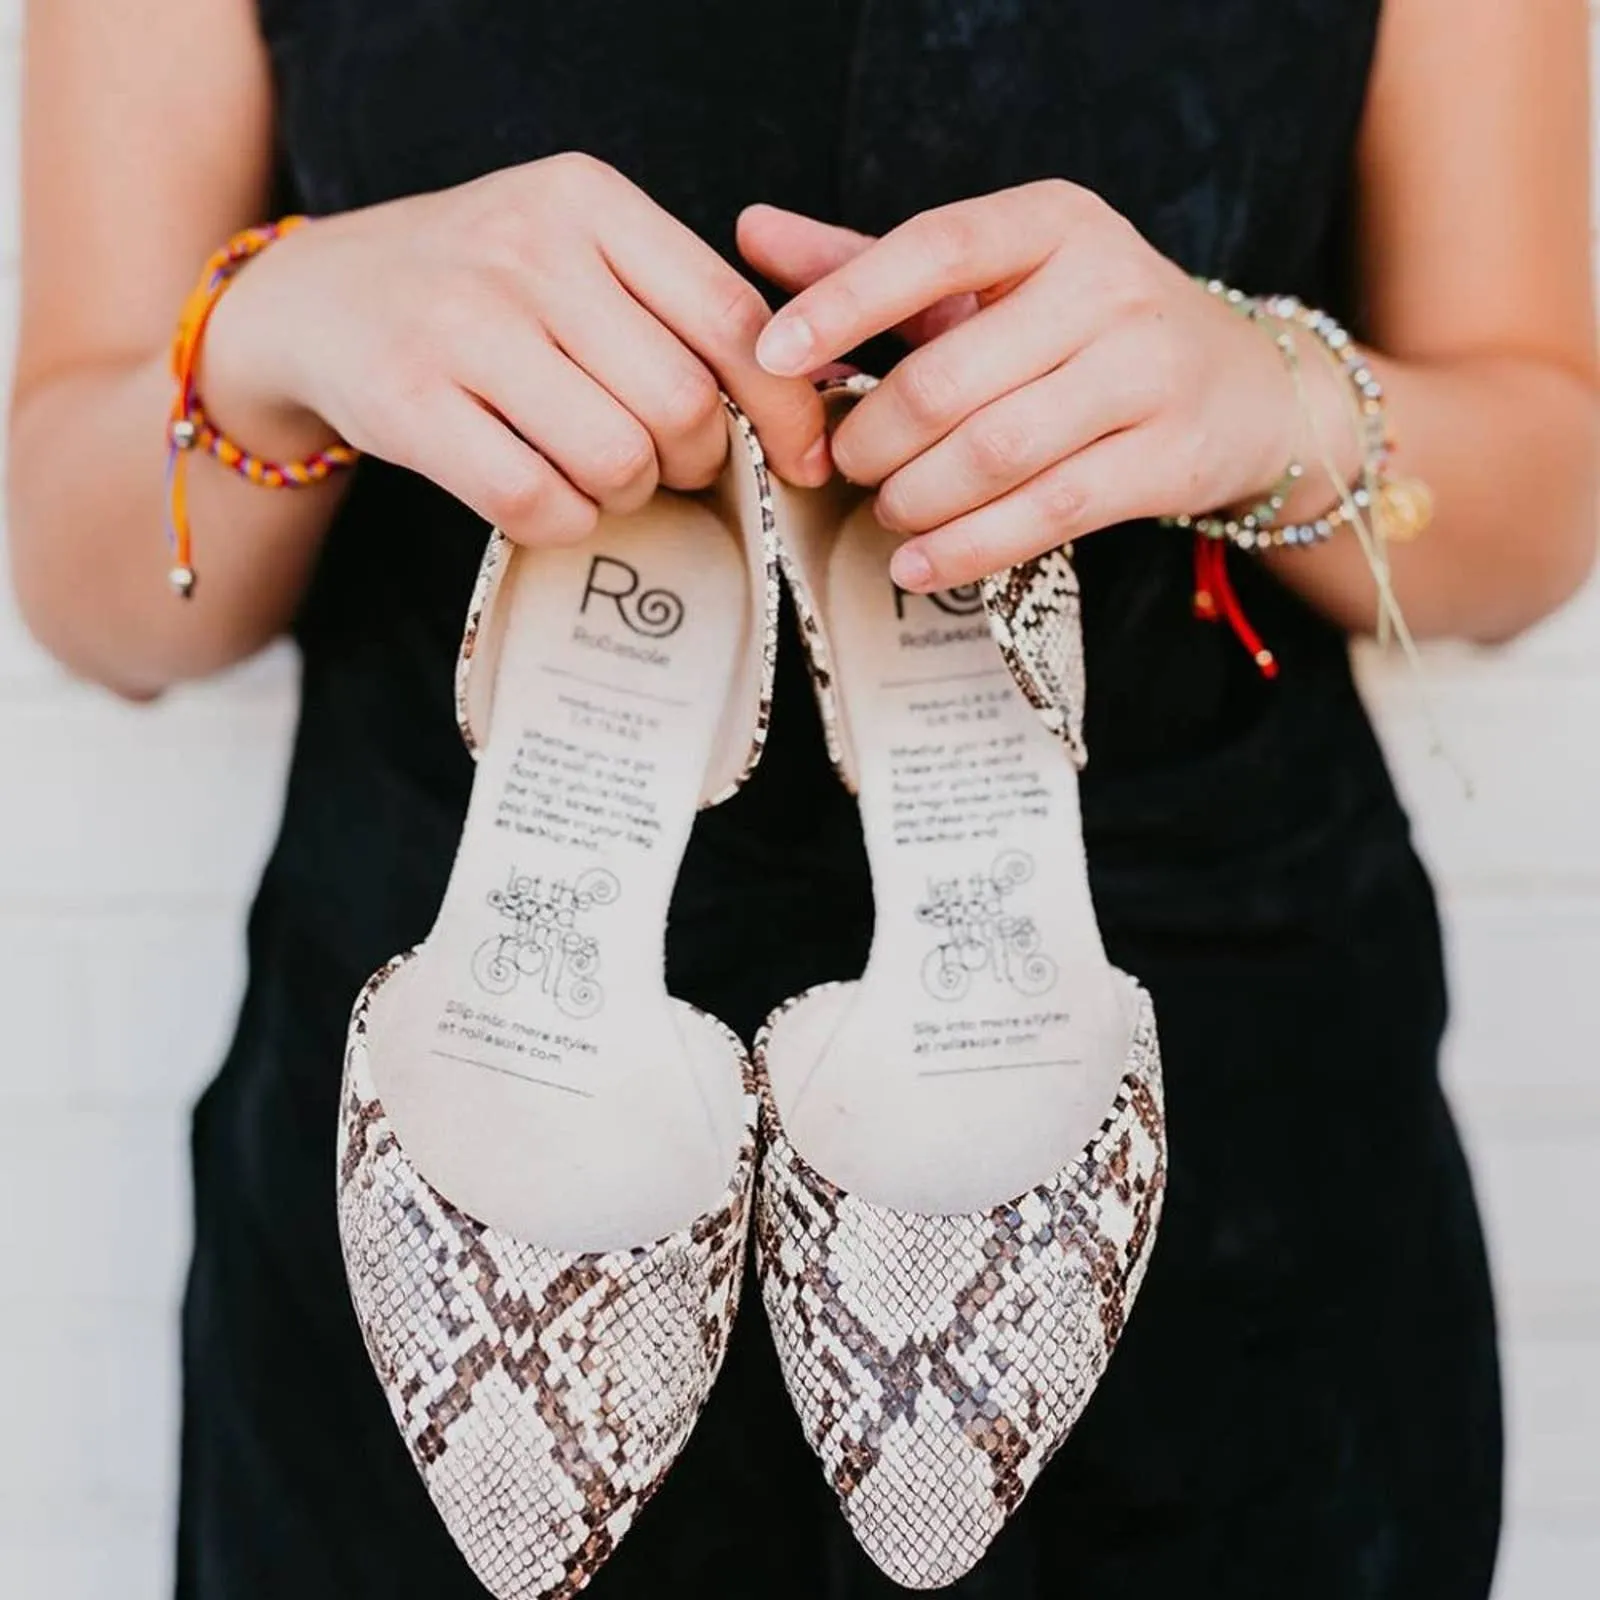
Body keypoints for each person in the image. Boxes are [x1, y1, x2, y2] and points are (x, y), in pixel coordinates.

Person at [8, 2, 1596, 1596]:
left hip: (1236, 1140)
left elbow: (1534, 512)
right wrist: (279, 329)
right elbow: (103, 605)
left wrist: (1275, 403)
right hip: (470, 1147)